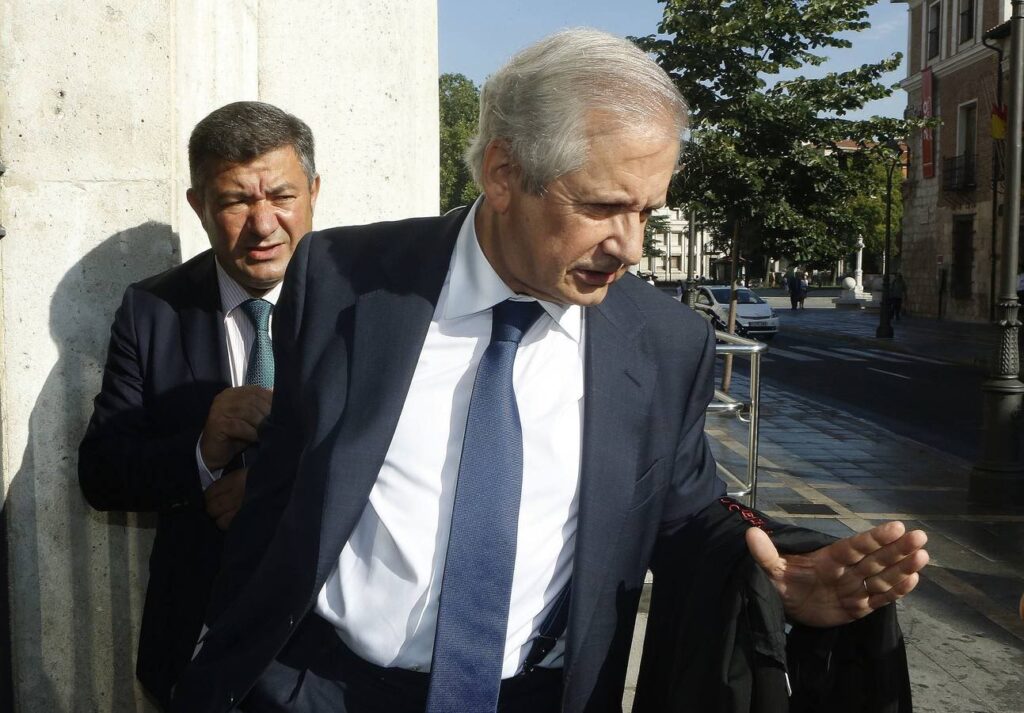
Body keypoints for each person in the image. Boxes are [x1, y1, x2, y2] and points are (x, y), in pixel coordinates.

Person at [173, 30, 927, 713]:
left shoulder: (665, 342)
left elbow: (685, 514)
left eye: (647, 211)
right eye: (602, 206)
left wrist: (780, 575)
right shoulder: (343, 277)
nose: (630, 246)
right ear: (504, 173)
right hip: (322, 688)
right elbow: (285, 484)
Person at [78, 101, 320, 709]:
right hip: (196, 649)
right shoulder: (150, 310)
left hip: (330, 656)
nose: (263, 225)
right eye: (236, 201)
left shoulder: (367, 305)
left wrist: (276, 487)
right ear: (198, 205)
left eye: (282, 197)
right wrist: (202, 453)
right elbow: (101, 474)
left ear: (314, 192)